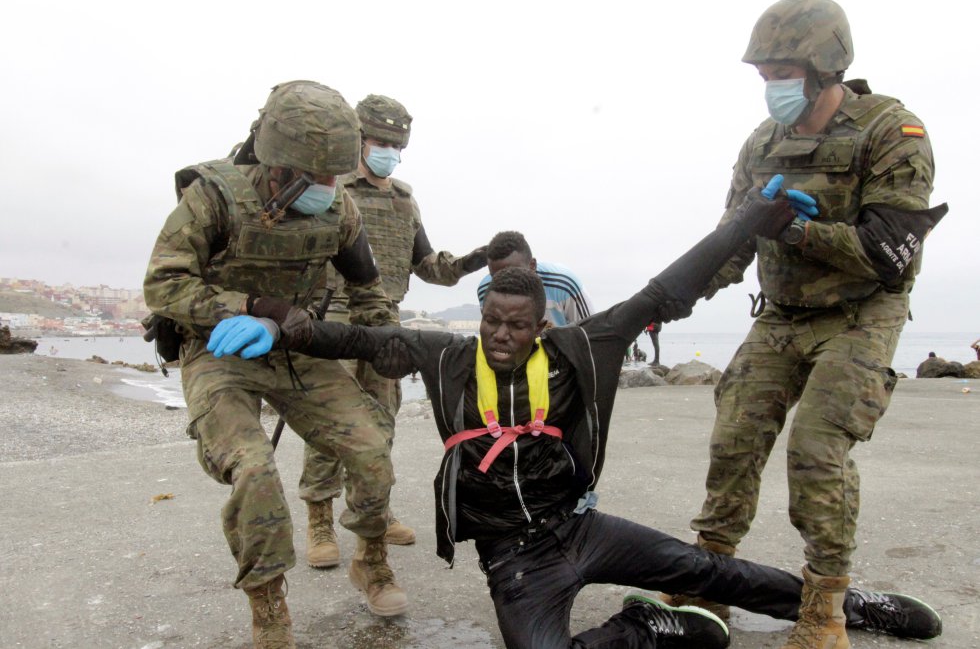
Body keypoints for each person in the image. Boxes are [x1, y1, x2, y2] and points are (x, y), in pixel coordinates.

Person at [207, 189, 942, 649]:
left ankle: (852, 601)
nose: (499, 332)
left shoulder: (578, 349)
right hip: (515, 559)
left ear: (539, 322)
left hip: (581, 527)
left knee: (709, 568)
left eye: (515, 322)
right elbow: (363, 339)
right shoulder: (448, 359)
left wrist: (748, 221)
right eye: (491, 317)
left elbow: (667, 291)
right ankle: (644, 626)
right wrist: (288, 327)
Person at [660, 0, 949, 648]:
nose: (773, 88)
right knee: (735, 433)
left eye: (783, 71)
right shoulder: (762, 145)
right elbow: (729, 245)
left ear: (824, 67)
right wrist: (663, 301)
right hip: (782, 315)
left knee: (816, 446)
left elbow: (889, 251)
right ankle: (708, 574)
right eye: (763, 75)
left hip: (860, 315)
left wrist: (797, 227)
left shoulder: (891, 133)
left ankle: (824, 605)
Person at [143, 80, 409, 648]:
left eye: (336, 175)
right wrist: (251, 307)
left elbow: (368, 291)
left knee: (370, 447)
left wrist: (384, 342)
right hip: (219, 351)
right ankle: (267, 602)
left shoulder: (339, 210)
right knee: (254, 468)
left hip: (296, 350)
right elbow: (164, 284)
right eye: (316, 177)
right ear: (279, 165)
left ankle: (371, 555)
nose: (330, 188)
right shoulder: (212, 197)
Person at [299, 94, 487, 568]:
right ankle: (319, 520)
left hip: (387, 320)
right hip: (333, 316)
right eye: (379, 141)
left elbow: (431, 268)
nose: (387, 150)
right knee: (327, 421)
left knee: (381, 421)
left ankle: (373, 513)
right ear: (360, 139)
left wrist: (478, 258)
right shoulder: (331, 190)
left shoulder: (404, 200)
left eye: (394, 144)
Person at [477, 231, 593, 326]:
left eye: (516, 274)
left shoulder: (564, 284)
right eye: (497, 277)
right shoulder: (487, 290)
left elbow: (590, 332)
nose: (507, 283)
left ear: (532, 265)